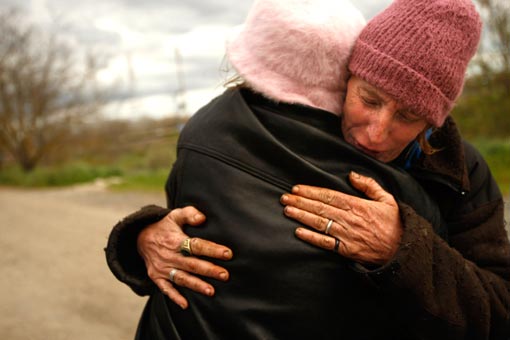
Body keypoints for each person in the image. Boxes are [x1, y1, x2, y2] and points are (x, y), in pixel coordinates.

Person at [105, 0, 510, 339]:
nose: (376, 131)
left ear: (433, 122)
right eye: (368, 99)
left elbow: (499, 311)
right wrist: (144, 236)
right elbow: (211, 215)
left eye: (407, 116)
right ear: (346, 81)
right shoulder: (299, 128)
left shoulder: (461, 174)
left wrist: (403, 248)